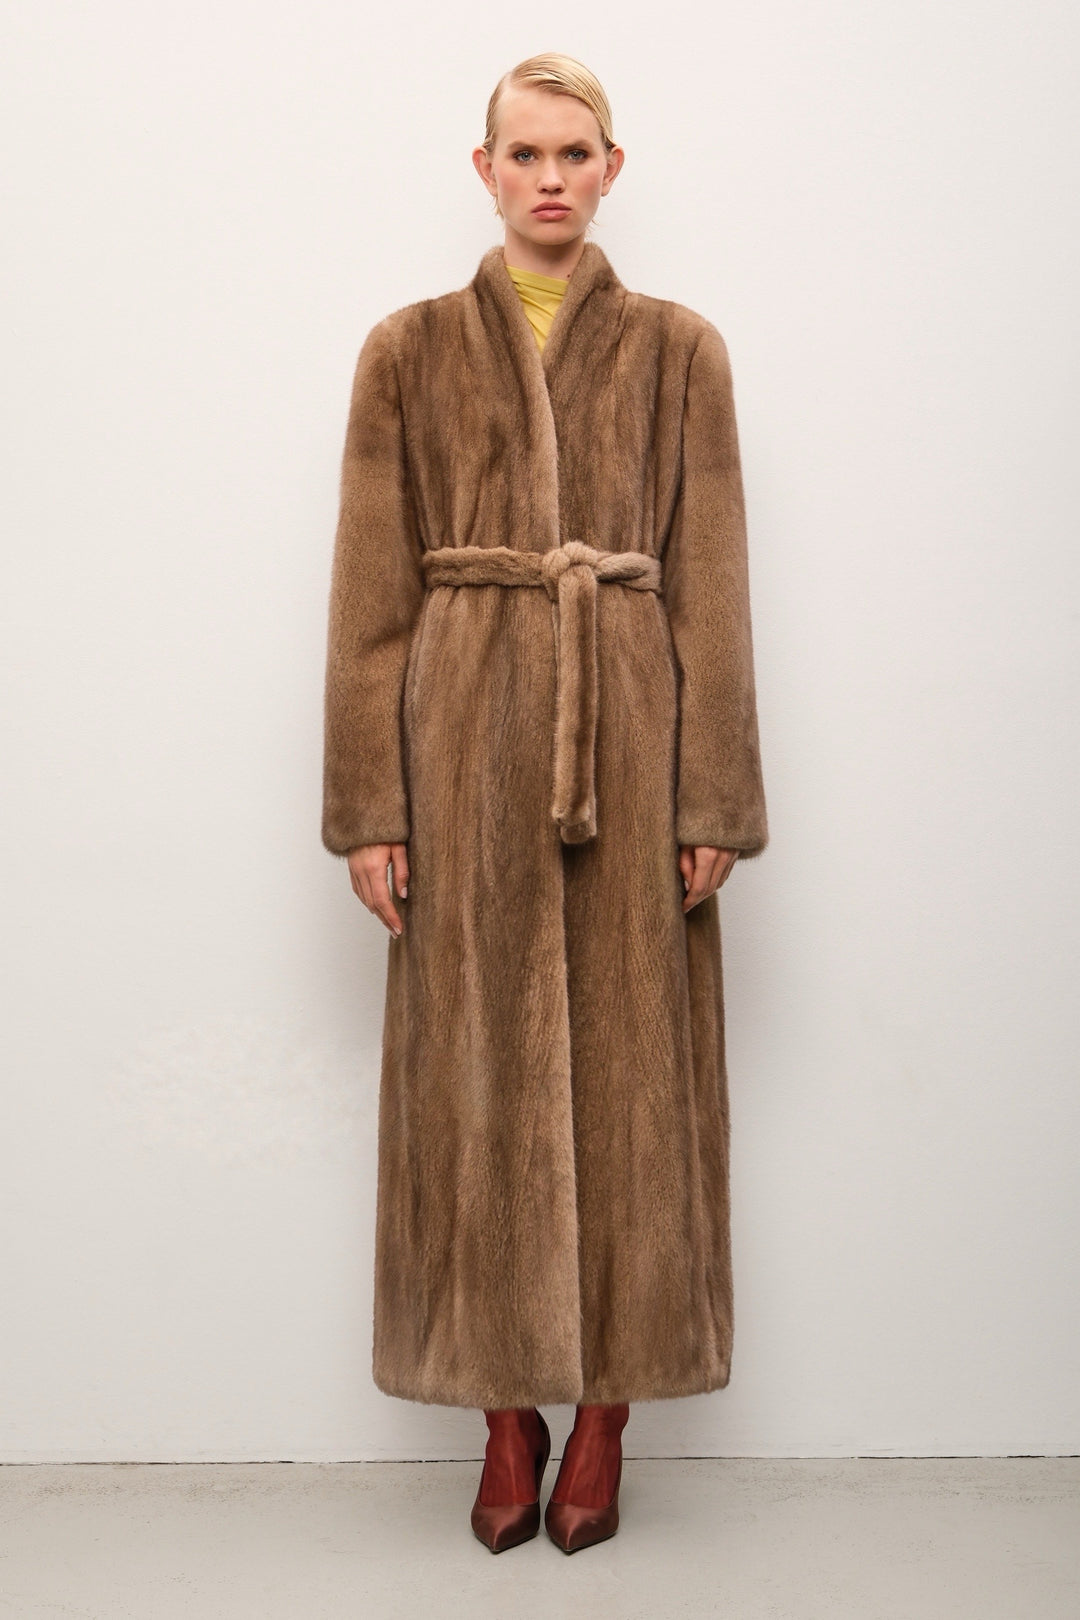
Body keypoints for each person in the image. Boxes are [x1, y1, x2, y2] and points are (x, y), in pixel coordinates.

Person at [321, 53, 769, 1554]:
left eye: (576, 152)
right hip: (460, 748)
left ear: (613, 167)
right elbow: (369, 600)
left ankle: (612, 1413)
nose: (551, 177)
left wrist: (712, 794)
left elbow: (713, 588)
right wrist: (370, 806)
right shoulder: (405, 352)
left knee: (643, 1083)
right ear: (485, 168)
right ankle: (506, 1411)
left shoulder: (681, 352)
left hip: (632, 744)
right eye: (525, 153)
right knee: (471, 1075)